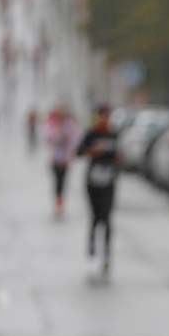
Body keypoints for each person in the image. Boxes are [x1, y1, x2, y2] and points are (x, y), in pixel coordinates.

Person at [76, 104, 119, 277]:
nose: (104, 119)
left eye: (107, 116)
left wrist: (115, 158)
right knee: (94, 219)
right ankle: (92, 253)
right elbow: (79, 152)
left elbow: (119, 155)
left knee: (107, 218)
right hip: (93, 181)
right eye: (101, 116)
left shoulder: (113, 134)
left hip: (109, 181)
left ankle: (107, 256)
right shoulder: (91, 134)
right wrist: (92, 151)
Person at [45, 104, 79, 219]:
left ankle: (60, 203)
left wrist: (69, 157)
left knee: (62, 182)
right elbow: (49, 138)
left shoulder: (70, 125)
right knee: (57, 182)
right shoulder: (53, 124)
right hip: (55, 159)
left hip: (65, 160)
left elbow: (75, 141)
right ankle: (58, 203)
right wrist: (57, 134)